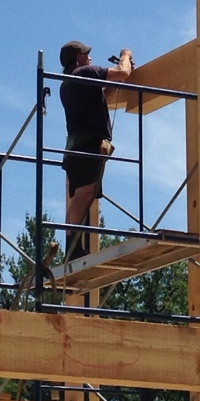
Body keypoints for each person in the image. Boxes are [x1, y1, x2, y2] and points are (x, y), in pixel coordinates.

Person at [57, 40, 134, 261]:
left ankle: (73, 247)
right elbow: (123, 73)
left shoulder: (68, 82)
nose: (90, 57)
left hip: (76, 146)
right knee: (84, 195)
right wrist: (125, 55)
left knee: (83, 195)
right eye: (86, 53)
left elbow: (102, 96)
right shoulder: (85, 71)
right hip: (88, 144)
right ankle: (72, 249)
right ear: (78, 57)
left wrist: (117, 79)